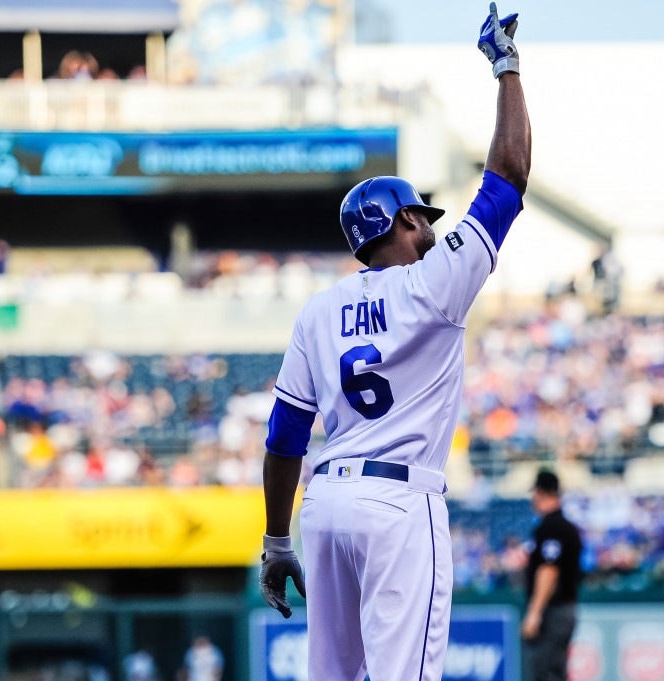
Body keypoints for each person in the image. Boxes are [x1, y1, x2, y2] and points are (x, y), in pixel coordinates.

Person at [257, 5, 530, 681]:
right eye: (424, 215)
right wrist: (507, 68)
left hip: (324, 507)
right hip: (397, 504)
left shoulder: (319, 310)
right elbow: (509, 177)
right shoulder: (435, 281)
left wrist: (275, 538)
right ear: (406, 218)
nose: (432, 226)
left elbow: (285, 436)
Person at [522, 470, 583, 681]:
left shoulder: (551, 526)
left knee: (544, 671)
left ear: (540, 492)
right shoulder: (567, 527)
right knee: (555, 671)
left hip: (554, 611)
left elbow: (549, 570)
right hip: (564, 610)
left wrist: (534, 612)